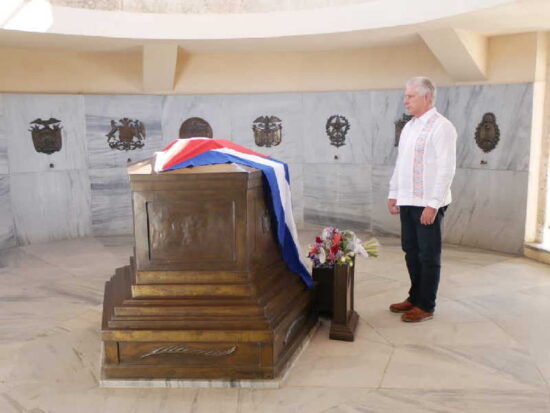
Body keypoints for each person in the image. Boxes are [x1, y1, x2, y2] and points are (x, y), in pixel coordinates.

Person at [387, 76, 457, 322]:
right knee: (411, 251)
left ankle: (426, 305)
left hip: (428, 203)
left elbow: (446, 168)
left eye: (410, 96)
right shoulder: (409, 126)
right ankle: (415, 296)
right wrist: (393, 192)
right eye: (405, 96)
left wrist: (433, 204)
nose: (405, 100)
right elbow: (401, 162)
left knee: (428, 254)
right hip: (407, 200)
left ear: (426, 97)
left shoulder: (442, 126)